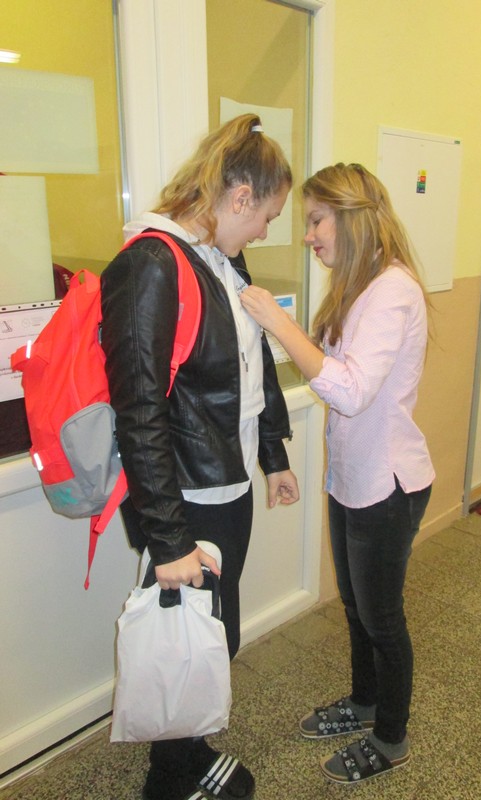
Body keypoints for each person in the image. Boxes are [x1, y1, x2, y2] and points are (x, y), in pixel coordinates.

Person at [101, 114, 299, 800]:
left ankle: (190, 751)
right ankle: (170, 778)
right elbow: (139, 411)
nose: (265, 231)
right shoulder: (151, 264)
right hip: (184, 496)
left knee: (213, 631)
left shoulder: (219, 258)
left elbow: (253, 366)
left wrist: (273, 453)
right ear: (240, 198)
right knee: (185, 639)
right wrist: (167, 538)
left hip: (227, 482)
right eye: (267, 216)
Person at [240, 162, 435, 786]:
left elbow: (349, 391)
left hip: (388, 484)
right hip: (352, 477)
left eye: (317, 221)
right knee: (355, 606)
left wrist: (281, 324)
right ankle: (364, 701)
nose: (308, 236)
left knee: (382, 618)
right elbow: (331, 370)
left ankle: (391, 737)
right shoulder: (357, 287)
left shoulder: (393, 290)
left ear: (351, 218)